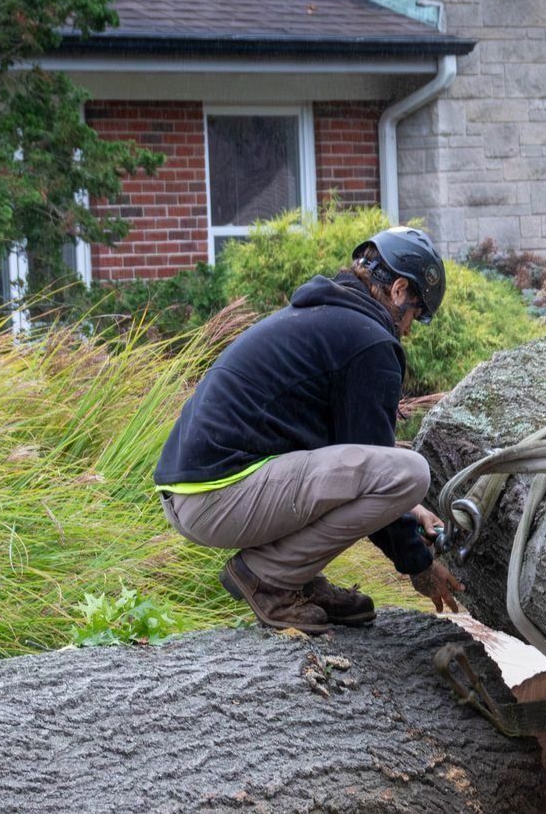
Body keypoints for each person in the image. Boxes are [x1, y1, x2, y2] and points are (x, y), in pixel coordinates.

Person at [154, 225, 467, 634]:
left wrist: (410, 510)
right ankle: (268, 579)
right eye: (416, 313)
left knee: (400, 481)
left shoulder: (327, 318)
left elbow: (354, 459)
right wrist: (419, 566)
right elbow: (378, 469)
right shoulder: (369, 342)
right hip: (218, 496)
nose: (409, 328)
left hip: (196, 493)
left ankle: (294, 578)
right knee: (411, 472)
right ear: (399, 290)